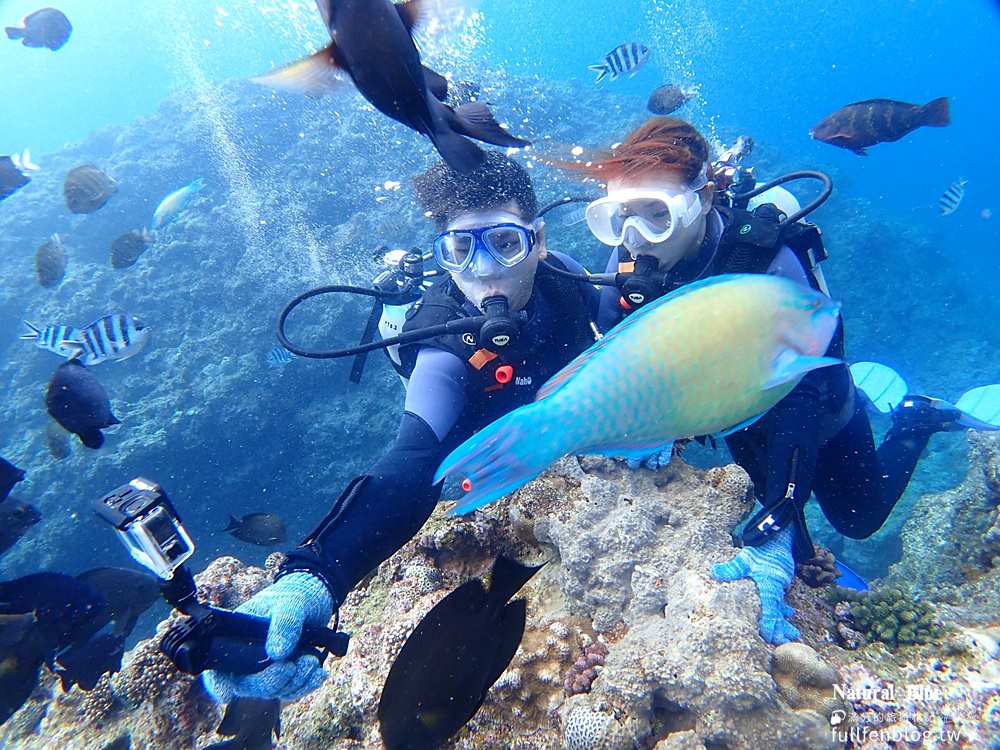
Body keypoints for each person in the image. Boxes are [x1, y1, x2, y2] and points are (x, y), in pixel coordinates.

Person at [564, 116, 998, 645]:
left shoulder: (766, 256)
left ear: (702, 199)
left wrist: (784, 506)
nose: (634, 237)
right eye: (618, 218)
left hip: (814, 404)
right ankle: (805, 570)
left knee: (858, 519)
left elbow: (802, 389)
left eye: (656, 215)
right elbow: (617, 353)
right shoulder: (629, 261)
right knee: (787, 540)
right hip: (736, 417)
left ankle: (913, 421)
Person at [203, 153, 601, 702]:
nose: (484, 271)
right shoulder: (441, 344)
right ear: (443, 256)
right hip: (479, 431)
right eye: (460, 250)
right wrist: (315, 575)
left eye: (506, 244)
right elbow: (412, 461)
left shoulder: (571, 282)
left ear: (539, 240)